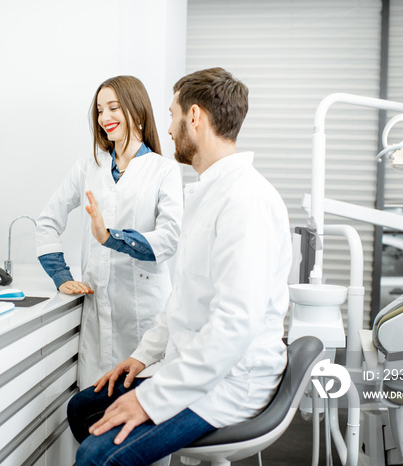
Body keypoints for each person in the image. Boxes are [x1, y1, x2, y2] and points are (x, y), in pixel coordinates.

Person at [66, 67, 293, 466]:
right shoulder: (209, 192)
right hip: (197, 364)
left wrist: (150, 399)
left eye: (172, 115)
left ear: (194, 117)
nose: (167, 128)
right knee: (82, 409)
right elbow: (183, 300)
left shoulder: (246, 200)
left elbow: (233, 327)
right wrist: (142, 356)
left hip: (230, 380)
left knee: (96, 457)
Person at [35, 75, 184, 389]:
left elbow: (169, 239)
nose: (104, 118)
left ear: (138, 112)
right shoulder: (87, 167)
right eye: (100, 110)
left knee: (140, 414)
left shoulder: (164, 170)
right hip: (98, 315)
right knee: (92, 409)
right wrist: (60, 275)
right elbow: (47, 221)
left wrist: (111, 238)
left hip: (145, 317)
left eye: (113, 108)